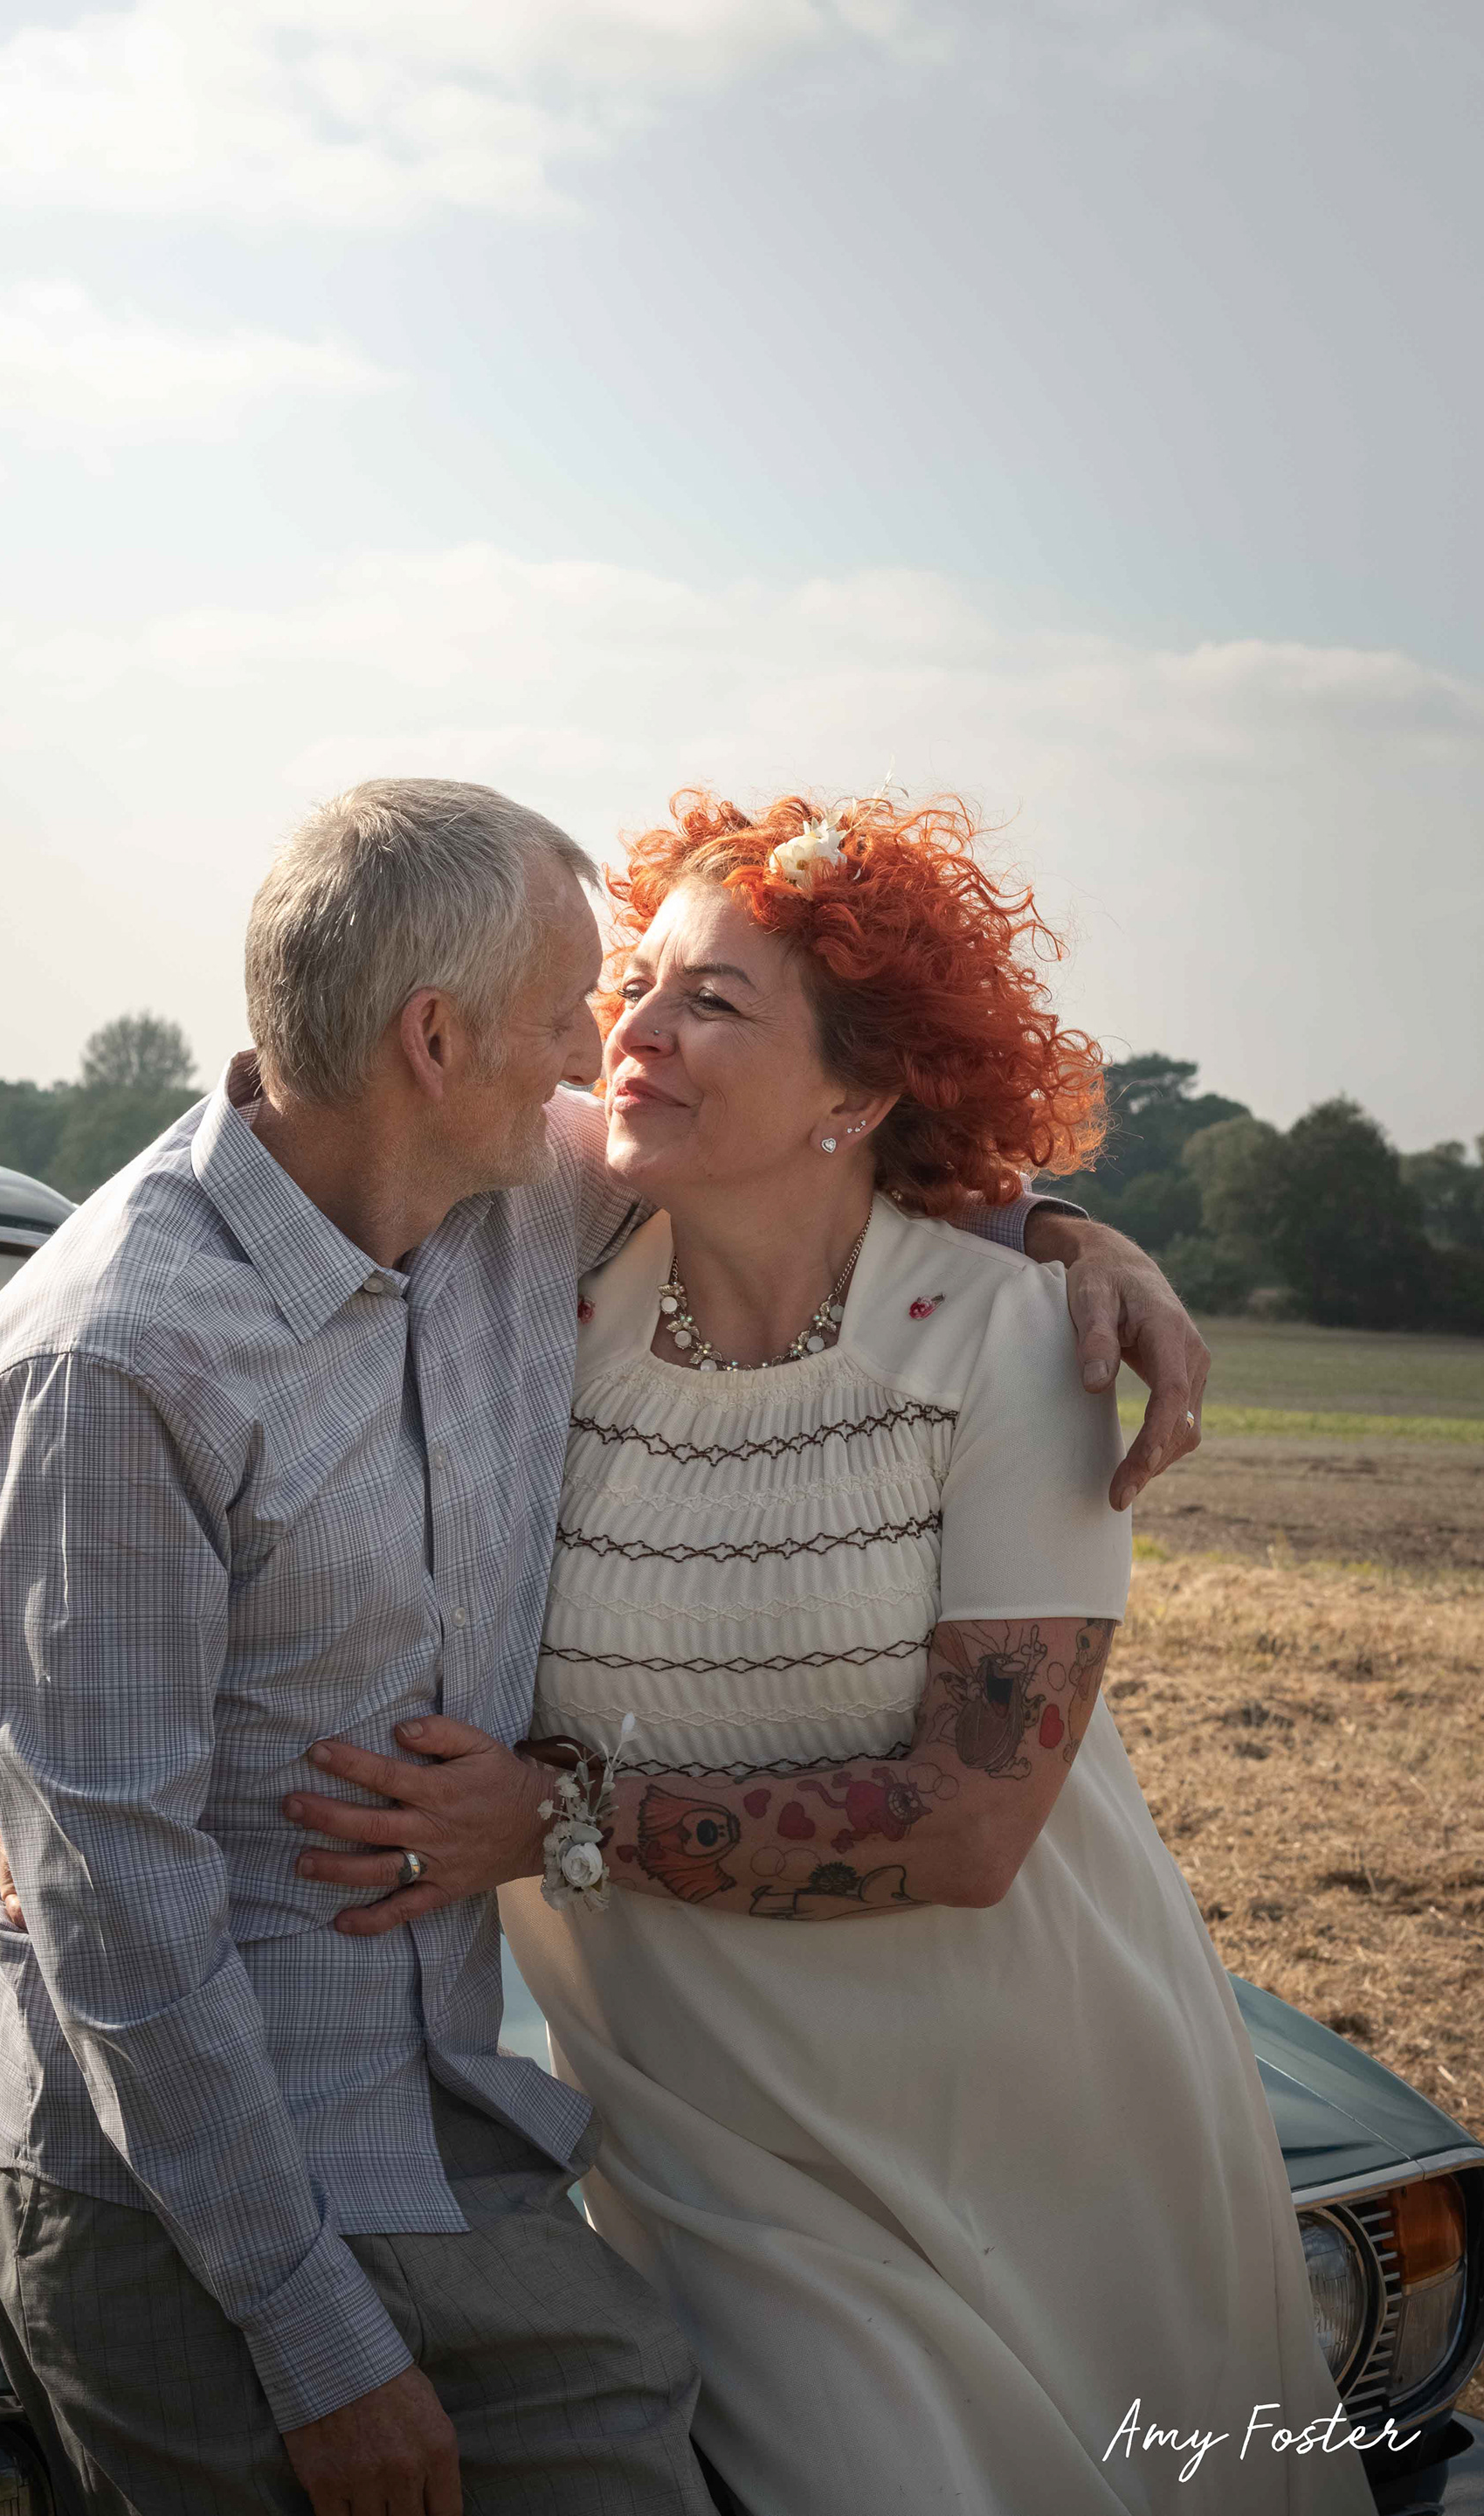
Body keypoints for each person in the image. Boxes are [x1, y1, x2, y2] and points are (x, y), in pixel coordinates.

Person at [0, 779, 1206, 2516]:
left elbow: (824, 1179)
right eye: (583, 1006)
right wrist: (319, 2342)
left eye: (654, 1000)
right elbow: (108, 1881)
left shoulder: (517, 1206)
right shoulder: (112, 1353)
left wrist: (1069, 1230)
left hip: (480, 2143)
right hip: (189, 2205)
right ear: (436, 1039)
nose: (605, 1046)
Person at [283, 791, 1370, 2516]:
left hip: (1029, 2109)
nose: (631, 1032)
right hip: (702, 2138)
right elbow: (319, 1158)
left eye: (711, 1003)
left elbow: (968, 1825)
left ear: (859, 1093)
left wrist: (547, 1825)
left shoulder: (1020, 1355)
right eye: (635, 983)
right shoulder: (533, 1288)